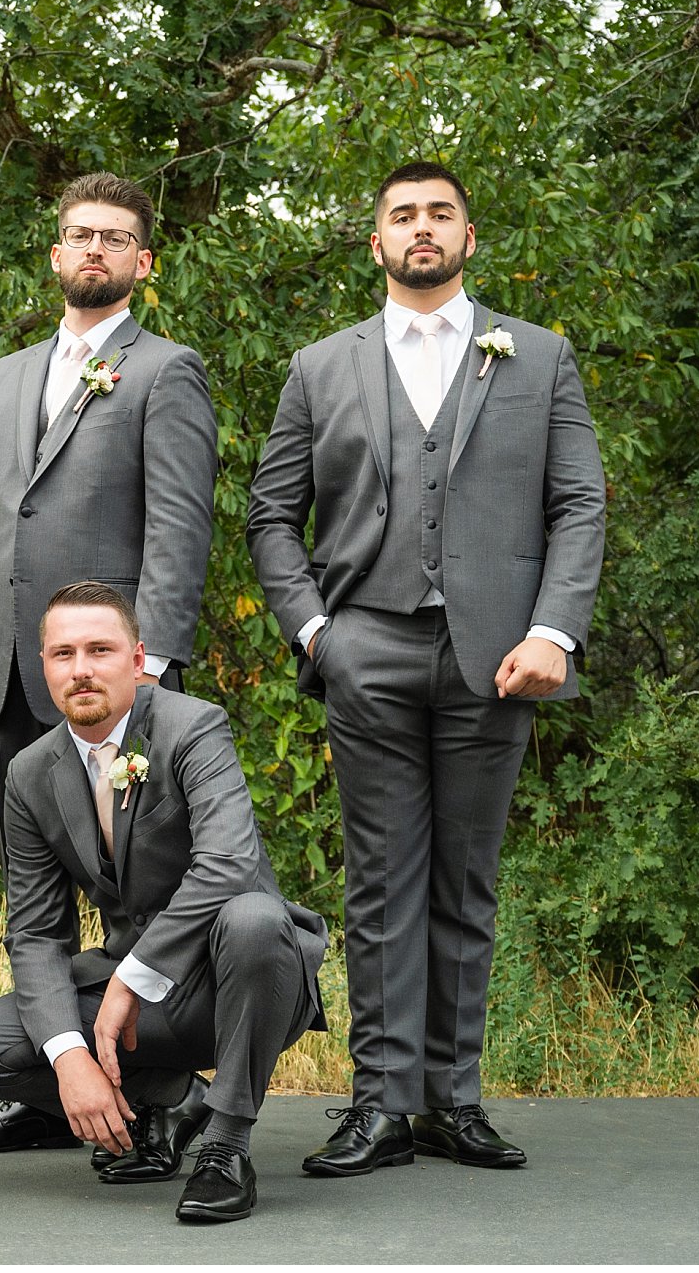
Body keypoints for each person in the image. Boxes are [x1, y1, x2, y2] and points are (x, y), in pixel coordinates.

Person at [247, 160, 605, 1175]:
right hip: (365, 647)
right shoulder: (321, 366)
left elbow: (576, 504)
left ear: (466, 237)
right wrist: (317, 634)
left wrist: (553, 633)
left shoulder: (536, 357)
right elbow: (271, 517)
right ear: (375, 243)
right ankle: (377, 1105)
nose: (419, 228)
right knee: (379, 883)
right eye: (400, 215)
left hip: (497, 660)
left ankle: (451, 1100)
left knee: (464, 880)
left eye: (438, 213)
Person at [0, 171, 218, 1173]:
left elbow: (180, 529)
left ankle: (159, 1092)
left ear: (140, 262)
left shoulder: (164, 370)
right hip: (7, 679)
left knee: (142, 887)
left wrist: (154, 671)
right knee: (32, 894)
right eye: (75, 236)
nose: (91, 249)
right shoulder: (8, 376)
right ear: (53, 256)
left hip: (114, 681)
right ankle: (51, 1088)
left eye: (111, 238)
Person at [0, 582, 327, 1223]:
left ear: (139, 659)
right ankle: (166, 1100)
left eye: (100, 650)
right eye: (63, 654)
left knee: (256, 917)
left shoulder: (192, 725)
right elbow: (36, 933)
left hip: (237, 981)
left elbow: (228, 863)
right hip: (138, 1012)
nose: (82, 669)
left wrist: (131, 978)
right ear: (44, 668)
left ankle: (226, 1148)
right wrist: (69, 1060)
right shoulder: (31, 773)